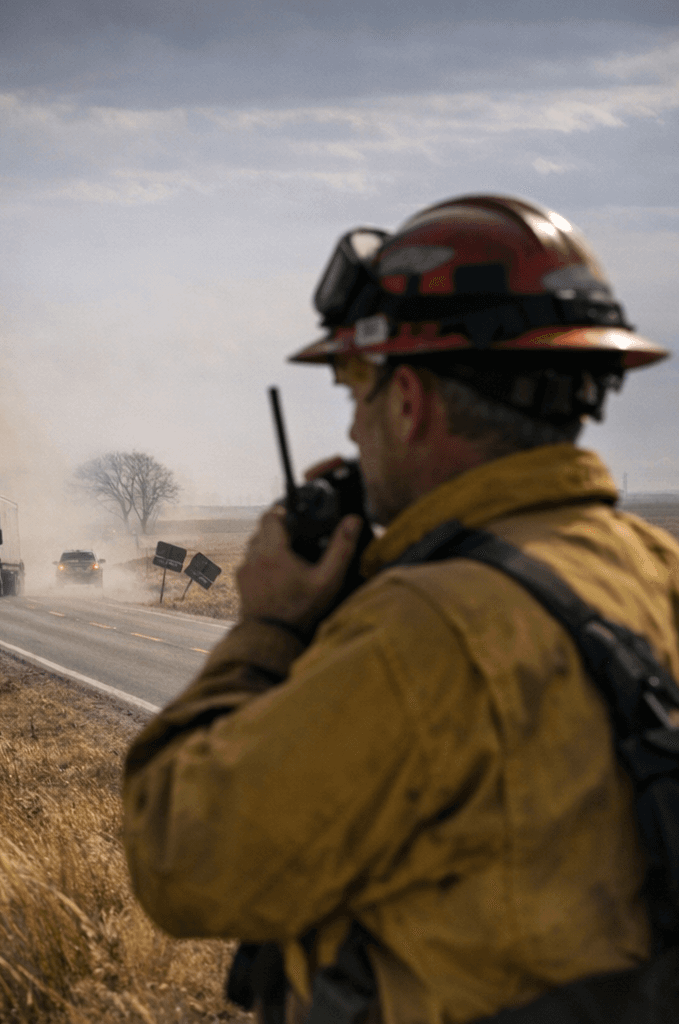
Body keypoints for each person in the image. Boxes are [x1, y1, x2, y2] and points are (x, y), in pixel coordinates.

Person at [120, 194, 677, 1024]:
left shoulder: (425, 627)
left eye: (355, 386)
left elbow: (179, 861)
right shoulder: (657, 570)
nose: (353, 420)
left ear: (409, 398)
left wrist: (269, 626)